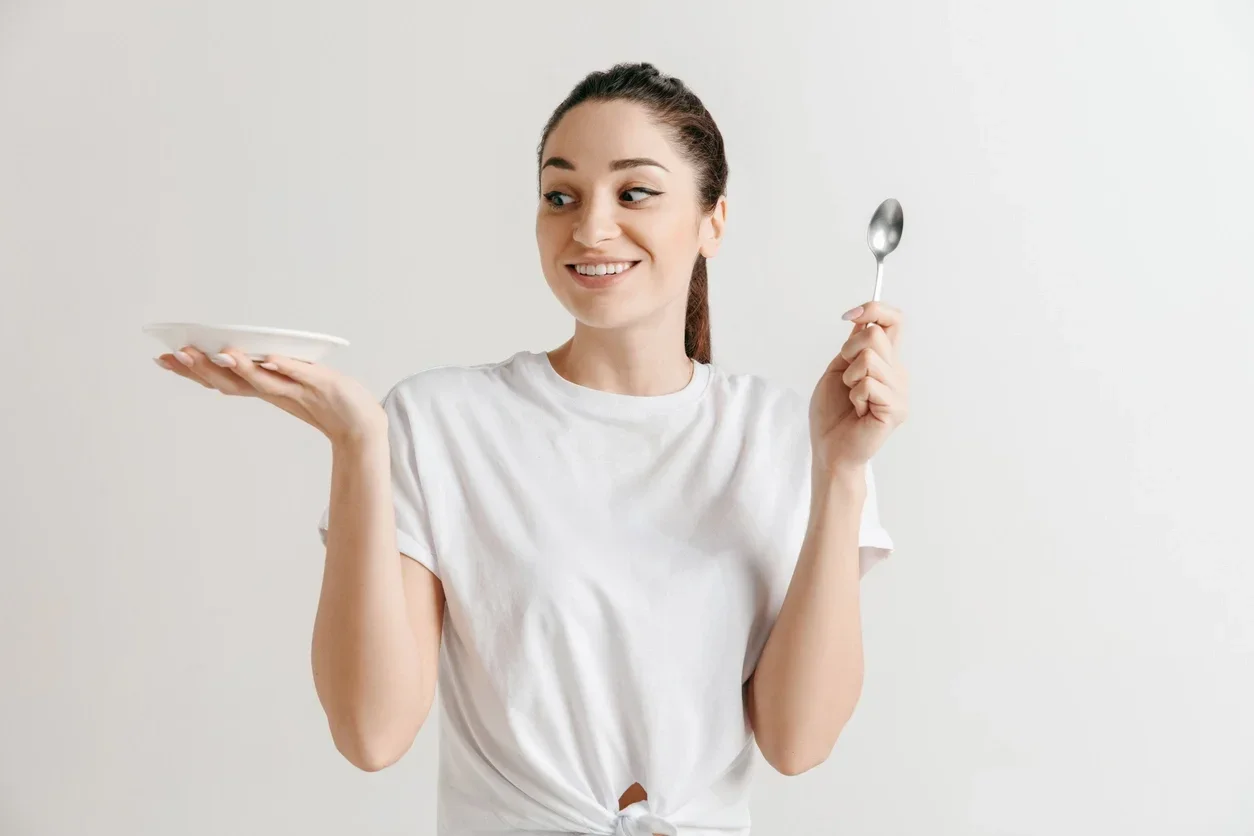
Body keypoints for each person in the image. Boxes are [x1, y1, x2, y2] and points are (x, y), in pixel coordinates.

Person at [154, 62, 909, 836]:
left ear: (714, 219)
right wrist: (357, 444)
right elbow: (371, 733)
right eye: (561, 196)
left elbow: (797, 740)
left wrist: (843, 472)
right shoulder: (442, 421)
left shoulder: (786, 436)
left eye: (635, 192)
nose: (590, 227)